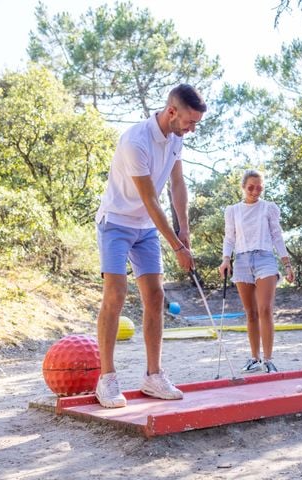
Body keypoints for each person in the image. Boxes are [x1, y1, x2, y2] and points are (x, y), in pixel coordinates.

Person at [95, 84, 207, 408]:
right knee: (116, 293)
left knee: (155, 296)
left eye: (196, 123)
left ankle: (153, 376)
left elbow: (177, 183)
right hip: (116, 222)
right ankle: (107, 379)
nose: (192, 129)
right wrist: (178, 248)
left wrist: (184, 229)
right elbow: (150, 199)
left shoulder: (176, 139)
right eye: (189, 121)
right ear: (172, 111)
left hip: (145, 227)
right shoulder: (136, 141)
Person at [218, 169, 294, 374]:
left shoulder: (268, 208)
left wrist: (287, 264)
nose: (255, 191)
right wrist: (226, 260)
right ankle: (254, 358)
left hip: (265, 259)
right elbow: (229, 238)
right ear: (243, 187)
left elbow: (277, 236)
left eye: (259, 188)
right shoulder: (233, 210)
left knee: (265, 309)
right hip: (242, 260)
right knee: (251, 313)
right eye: (251, 187)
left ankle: (268, 360)